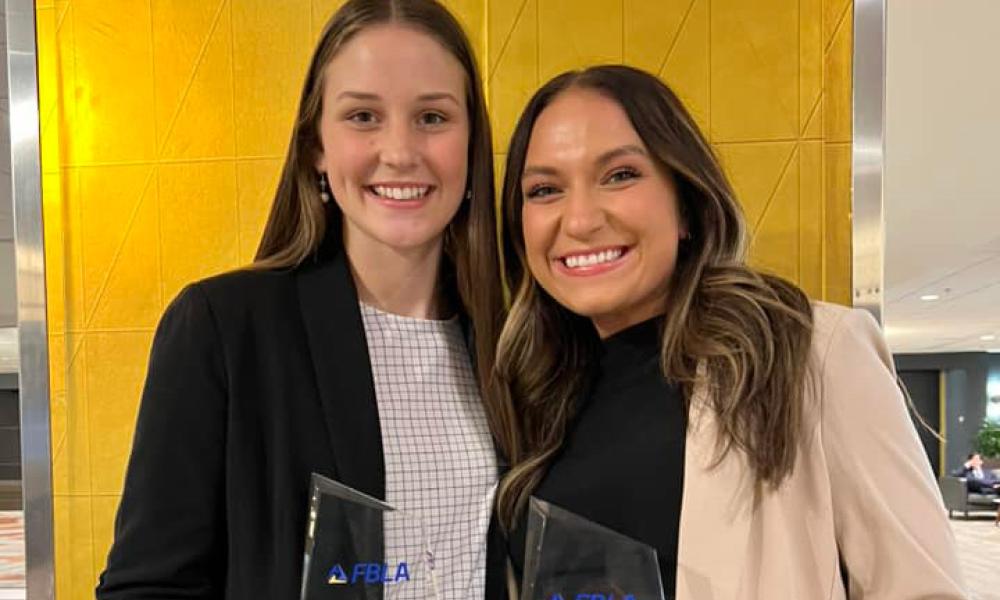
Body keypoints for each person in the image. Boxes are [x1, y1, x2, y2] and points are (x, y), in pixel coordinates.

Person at [491, 65, 967, 599]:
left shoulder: (809, 353)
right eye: (545, 189)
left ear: (686, 203)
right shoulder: (529, 391)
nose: (578, 220)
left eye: (620, 175)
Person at [96, 1, 511, 598]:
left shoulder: (514, 340)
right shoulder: (225, 329)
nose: (399, 151)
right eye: (363, 116)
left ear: (471, 144)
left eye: (432, 117)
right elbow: (149, 586)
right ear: (316, 145)